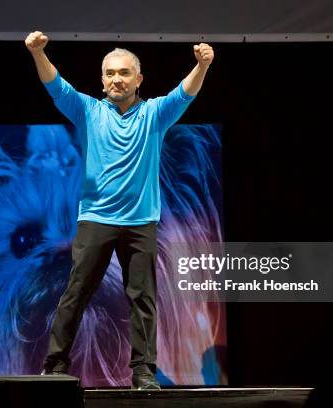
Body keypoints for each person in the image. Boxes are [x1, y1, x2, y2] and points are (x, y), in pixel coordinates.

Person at [25, 30, 214, 390]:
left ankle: (143, 371)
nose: (116, 79)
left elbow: (184, 93)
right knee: (75, 295)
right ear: (101, 79)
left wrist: (201, 65)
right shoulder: (88, 110)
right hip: (95, 220)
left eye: (124, 73)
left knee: (142, 300)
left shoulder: (155, 114)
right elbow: (57, 87)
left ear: (138, 79)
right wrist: (37, 54)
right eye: (110, 73)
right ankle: (54, 366)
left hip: (141, 223)